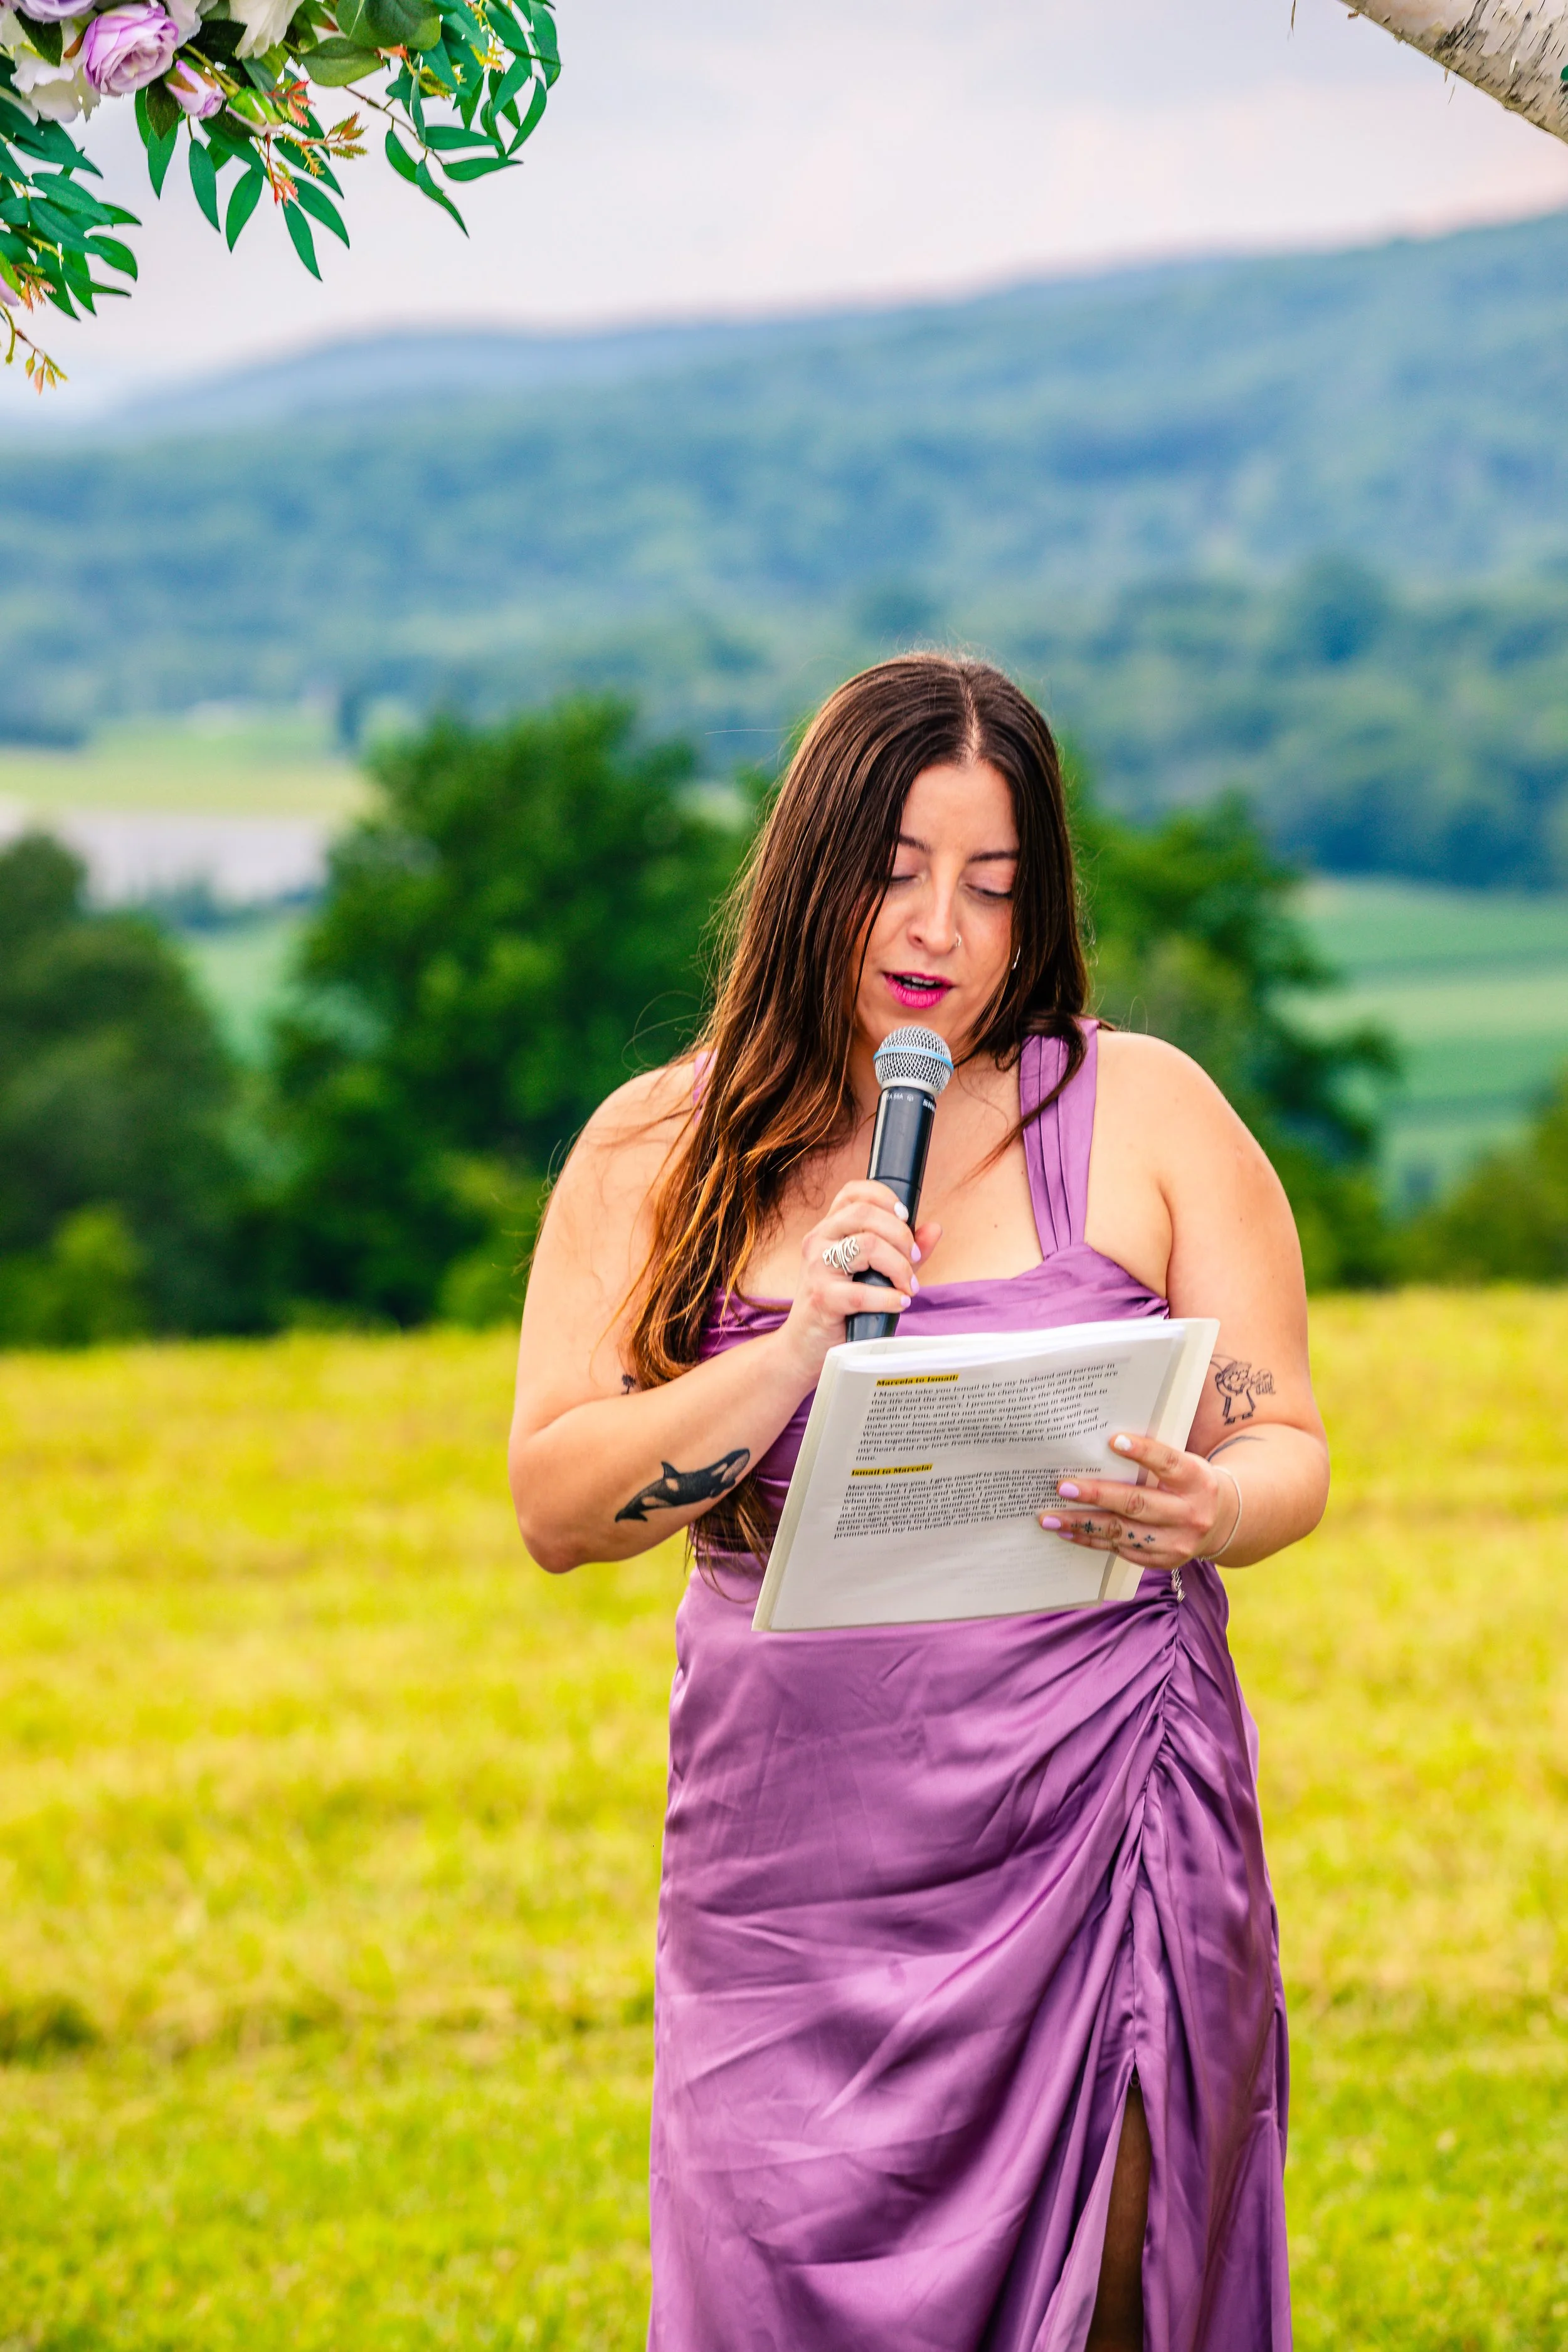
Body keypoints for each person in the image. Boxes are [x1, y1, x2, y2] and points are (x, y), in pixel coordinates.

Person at [509, 654, 1328, 2352]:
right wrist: (796, 1338)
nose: (939, 926)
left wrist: (1208, 1503)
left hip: (1099, 1823)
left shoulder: (1151, 1111)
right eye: (897, 864)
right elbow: (560, 1503)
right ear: (812, 861)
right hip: (789, 1868)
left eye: (992, 884)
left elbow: (1286, 1445)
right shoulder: (648, 1149)